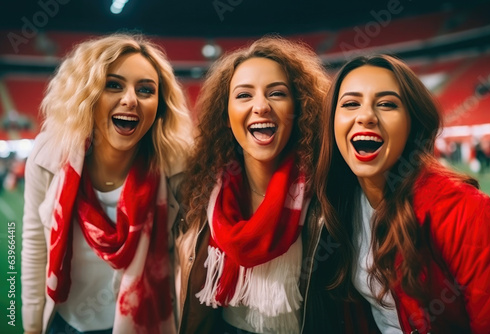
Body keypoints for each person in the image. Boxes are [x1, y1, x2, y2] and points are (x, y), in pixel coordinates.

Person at [315, 54, 490, 333]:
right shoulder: (334, 203)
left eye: (387, 104)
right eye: (351, 104)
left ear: (412, 123)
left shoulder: (465, 210)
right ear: (331, 123)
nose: (366, 116)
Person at [21, 33, 192, 334]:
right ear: (87, 94)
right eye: (113, 85)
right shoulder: (48, 155)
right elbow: (34, 244)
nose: (130, 99)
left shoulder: (176, 166)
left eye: (145, 90)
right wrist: (31, 325)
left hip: (146, 325)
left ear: (160, 105)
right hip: (64, 324)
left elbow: (190, 258)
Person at [176, 36, 330, 333]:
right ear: (226, 113)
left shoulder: (328, 192)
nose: (261, 106)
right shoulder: (200, 190)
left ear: (299, 107)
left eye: (277, 93)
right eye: (244, 95)